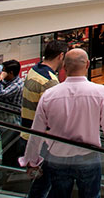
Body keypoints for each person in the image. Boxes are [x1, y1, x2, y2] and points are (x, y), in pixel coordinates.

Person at [20, 49, 104, 197]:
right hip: (88, 156)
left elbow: (37, 131)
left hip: (57, 157)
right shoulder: (100, 91)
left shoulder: (50, 95)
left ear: (64, 67)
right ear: (87, 64)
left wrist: (32, 160)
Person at [21, 39, 67, 198]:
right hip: (40, 141)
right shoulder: (50, 81)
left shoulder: (34, 70)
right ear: (61, 56)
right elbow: (54, 117)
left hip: (27, 134)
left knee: (38, 183)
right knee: (43, 185)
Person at [0, 59, 24, 168]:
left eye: (4, 71)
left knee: (9, 148)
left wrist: (0, 80)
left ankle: (9, 169)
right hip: (4, 118)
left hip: (12, 120)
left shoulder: (17, 85)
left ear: (11, 73)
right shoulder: (10, 82)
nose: (1, 73)